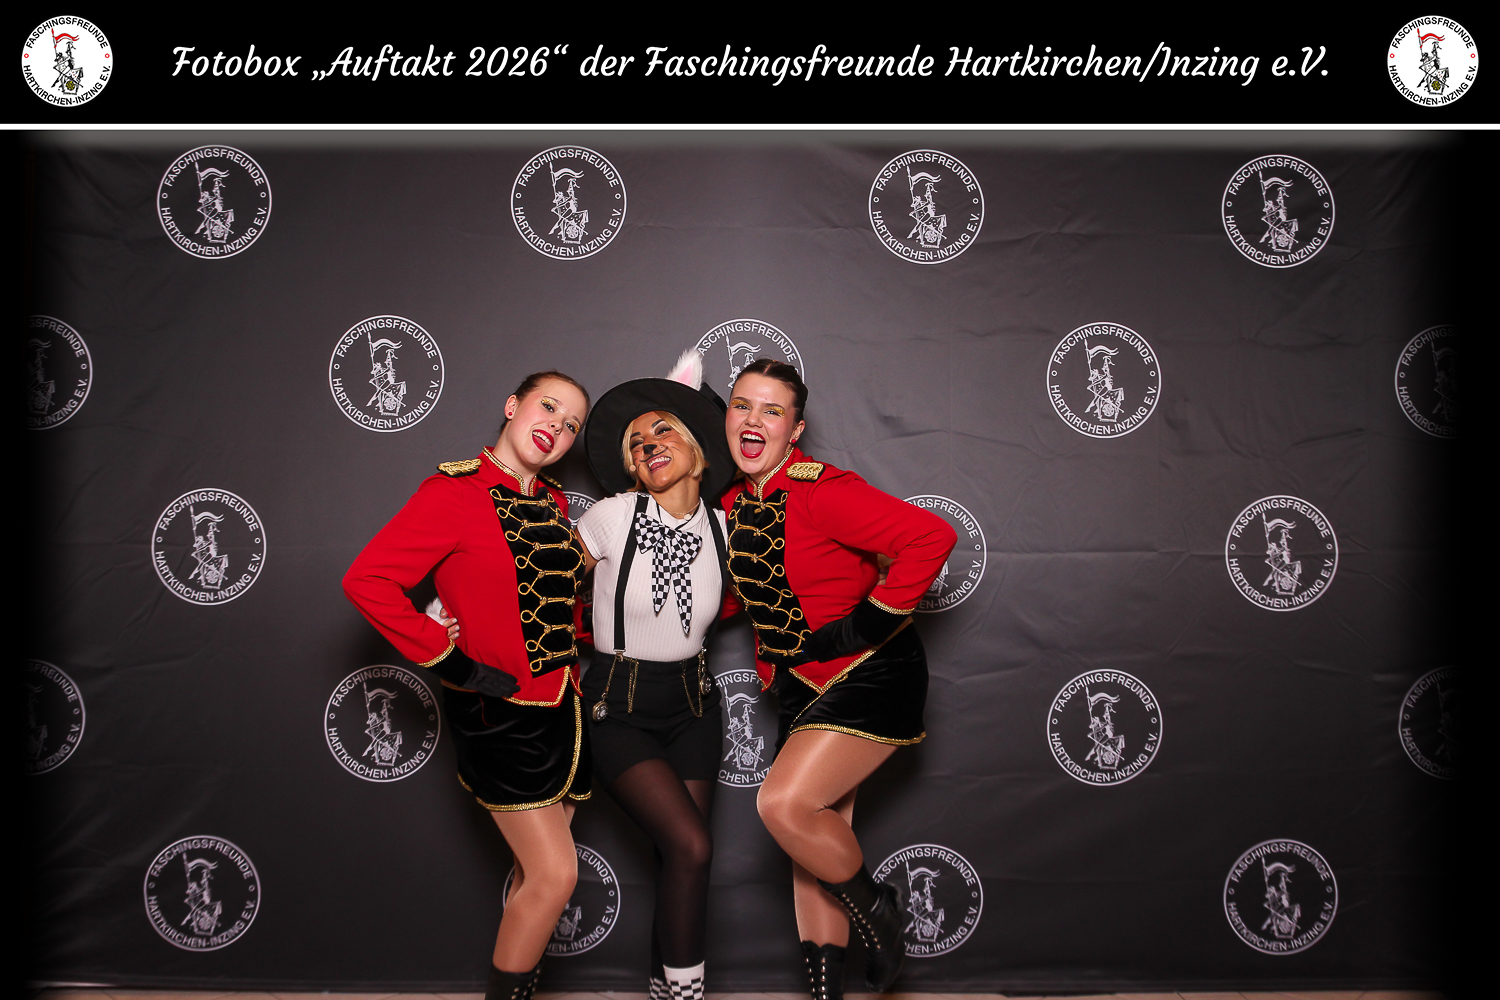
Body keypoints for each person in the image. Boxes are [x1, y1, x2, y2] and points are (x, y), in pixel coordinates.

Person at [342, 371, 592, 1000]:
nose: (556, 426)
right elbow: (367, 580)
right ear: (511, 406)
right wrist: (448, 658)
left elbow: (544, 605)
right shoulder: (453, 492)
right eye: (547, 407)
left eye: (570, 424)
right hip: (496, 712)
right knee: (555, 877)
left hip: (563, 708)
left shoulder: (556, 503)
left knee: (533, 878)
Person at [720, 359, 957, 1000]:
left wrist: (867, 624)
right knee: (812, 841)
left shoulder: (820, 490)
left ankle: (880, 913)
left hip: (871, 672)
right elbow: (742, 595)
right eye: (742, 405)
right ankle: (826, 991)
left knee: (784, 806)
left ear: (794, 430)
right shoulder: (732, 504)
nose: (753, 419)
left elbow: (932, 536)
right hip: (801, 686)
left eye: (772, 410)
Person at [574, 350, 737, 1000]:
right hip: (619, 707)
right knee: (692, 846)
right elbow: (539, 583)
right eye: (636, 442)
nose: (647, 444)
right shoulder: (612, 516)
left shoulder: (726, 530)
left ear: (698, 451)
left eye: (662, 430)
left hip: (695, 706)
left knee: (680, 858)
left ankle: (664, 989)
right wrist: (452, 613)